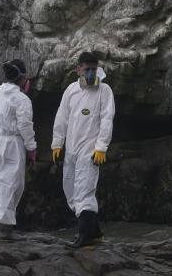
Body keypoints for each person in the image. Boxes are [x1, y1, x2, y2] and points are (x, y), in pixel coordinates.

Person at [51, 51, 115, 248]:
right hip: (71, 149)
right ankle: (95, 233)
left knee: (84, 192)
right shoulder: (71, 90)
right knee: (70, 191)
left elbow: (107, 118)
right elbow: (62, 117)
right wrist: (57, 143)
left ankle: (84, 238)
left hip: (90, 149)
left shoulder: (104, 91)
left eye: (94, 69)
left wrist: (101, 147)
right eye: (87, 69)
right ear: (78, 70)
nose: (90, 73)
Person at [0, 58, 37, 241]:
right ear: (22, 79)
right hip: (12, 143)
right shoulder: (21, 99)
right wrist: (31, 149)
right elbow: (25, 126)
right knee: (10, 183)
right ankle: (6, 230)